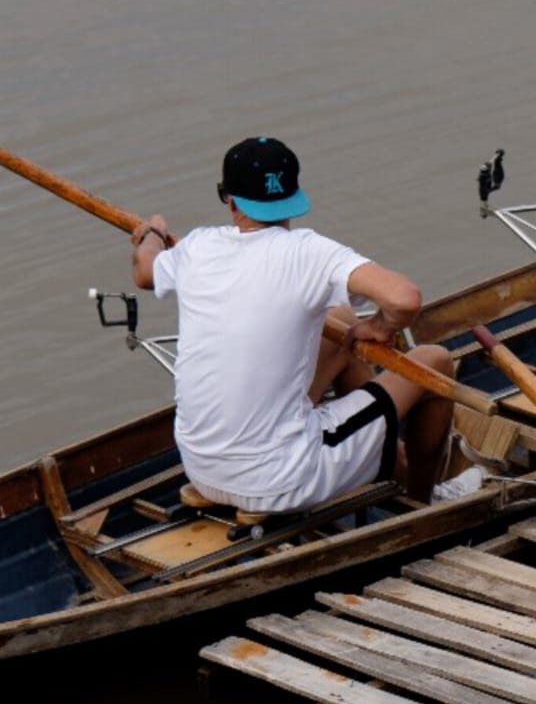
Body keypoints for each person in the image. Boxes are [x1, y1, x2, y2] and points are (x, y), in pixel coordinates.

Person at [129, 136, 461, 510]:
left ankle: (388, 455)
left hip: (200, 468)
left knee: (340, 320)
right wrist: (382, 328)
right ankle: (425, 501)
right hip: (281, 479)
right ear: (294, 198)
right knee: (435, 362)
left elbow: (145, 271)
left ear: (230, 199)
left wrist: (152, 233)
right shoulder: (309, 252)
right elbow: (404, 300)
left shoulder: (196, 247)